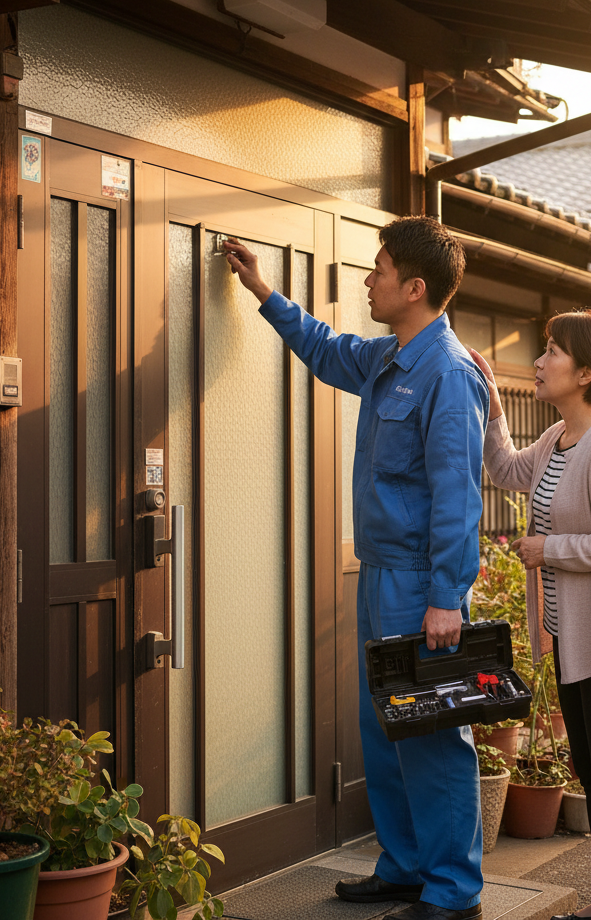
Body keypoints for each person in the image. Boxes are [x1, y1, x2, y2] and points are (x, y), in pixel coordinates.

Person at [223, 216, 489, 920]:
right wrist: (262, 289)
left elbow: (460, 497)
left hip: (419, 584)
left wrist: (445, 597)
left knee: (432, 733)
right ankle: (404, 866)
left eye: (377, 270)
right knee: (385, 727)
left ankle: (454, 890)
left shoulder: (450, 374)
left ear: (414, 286)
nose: (367, 281)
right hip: (380, 574)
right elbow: (323, 347)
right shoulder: (387, 359)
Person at [470, 309, 591, 920]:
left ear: (584, 373)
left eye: (552, 351)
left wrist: (549, 549)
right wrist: (495, 412)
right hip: (580, 641)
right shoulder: (558, 439)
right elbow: (504, 471)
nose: (539, 359)